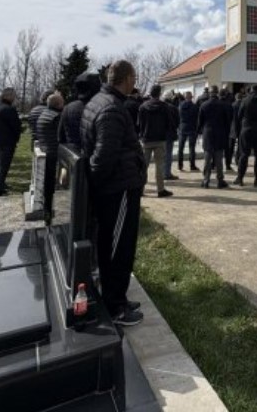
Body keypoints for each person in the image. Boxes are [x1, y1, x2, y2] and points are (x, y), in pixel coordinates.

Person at [80, 60, 147, 326]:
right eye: (134, 77)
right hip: (117, 189)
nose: (135, 82)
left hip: (116, 186)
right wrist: (102, 187)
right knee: (117, 247)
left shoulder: (103, 101)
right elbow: (102, 157)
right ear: (127, 78)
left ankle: (118, 295)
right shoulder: (110, 108)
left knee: (115, 244)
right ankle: (116, 306)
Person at [137, 84, 176, 198]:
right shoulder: (164, 106)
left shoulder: (143, 106)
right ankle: (160, 189)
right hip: (160, 139)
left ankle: (140, 189)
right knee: (160, 166)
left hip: (146, 139)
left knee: (144, 166)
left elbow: (139, 124)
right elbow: (169, 123)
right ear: (159, 93)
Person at [0, 87, 22, 197]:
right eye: (13, 96)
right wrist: (16, 138)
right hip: (6, 142)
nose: (14, 98)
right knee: (3, 166)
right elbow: (16, 126)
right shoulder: (9, 109)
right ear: (8, 96)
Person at [235, 85, 257, 187]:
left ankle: (240, 178)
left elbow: (239, 116)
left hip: (246, 130)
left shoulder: (245, 101)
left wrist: (239, 130)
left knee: (244, 154)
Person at [58, 72, 101, 153]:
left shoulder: (68, 108)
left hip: (73, 156)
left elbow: (60, 137)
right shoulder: (100, 108)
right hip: (93, 158)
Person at [36, 92, 65, 212]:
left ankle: (47, 205)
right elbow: (62, 136)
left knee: (48, 182)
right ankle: (49, 207)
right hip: (53, 152)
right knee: (51, 183)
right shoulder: (56, 116)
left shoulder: (44, 113)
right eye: (63, 102)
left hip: (45, 148)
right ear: (58, 104)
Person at [197, 85, 230, 189]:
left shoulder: (204, 105)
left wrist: (199, 132)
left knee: (207, 158)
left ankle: (206, 180)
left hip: (208, 133)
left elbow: (200, 122)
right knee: (219, 159)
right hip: (220, 133)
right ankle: (220, 180)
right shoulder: (223, 105)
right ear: (217, 92)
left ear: (210, 93)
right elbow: (227, 121)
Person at [178, 91, 200, 172]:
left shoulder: (180, 105)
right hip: (192, 128)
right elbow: (197, 118)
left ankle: (180, 165)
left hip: (182, 127)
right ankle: (192, 165)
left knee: (180, 148)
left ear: (185, 97)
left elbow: (178, 117)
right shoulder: (195, 106)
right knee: (192, 148)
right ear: (191, 97)